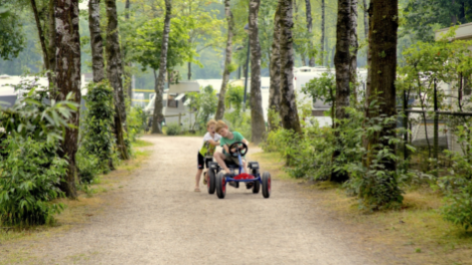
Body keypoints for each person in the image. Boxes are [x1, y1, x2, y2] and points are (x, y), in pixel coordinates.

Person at [214, 120, 251, 188]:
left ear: (226, 127)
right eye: (219, 133)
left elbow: (246, 142)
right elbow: (227, 150)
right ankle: (227, 170)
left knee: (243, 163)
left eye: (222, 131)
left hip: (238, 156)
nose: (221, 133)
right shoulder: (222, 139)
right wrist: (232, 150)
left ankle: (247, 180)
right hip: (228, 157)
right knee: (216, 153)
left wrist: (243, 146)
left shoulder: (236, 134)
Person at [195, 119, 221, 192]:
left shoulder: (217, 135)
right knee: (200, 169)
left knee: (210, 169)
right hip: (202, 154)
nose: (213, 129)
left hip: (209, 155)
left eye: (214, 128)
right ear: (208, 129)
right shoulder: (207, 136)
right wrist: (221, 142)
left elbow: (223, 138)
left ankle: (206, 176)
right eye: (211, 128)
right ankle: (196, 186)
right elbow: (213, 143)